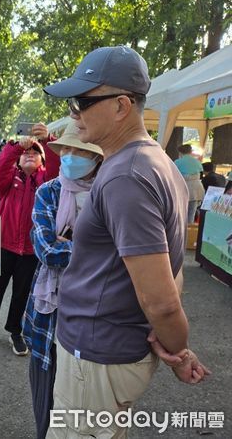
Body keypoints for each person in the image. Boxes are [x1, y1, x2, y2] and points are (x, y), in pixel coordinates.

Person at [43, 46, 210, 438]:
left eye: (82, 102)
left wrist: (179, 350)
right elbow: (174, 267)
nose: (74, 113)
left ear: (121, 106)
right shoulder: (156, 162)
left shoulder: (124, 176)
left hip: (97, 354)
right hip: (110, 351)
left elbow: (163, 300)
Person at [22, 120, 103, 439]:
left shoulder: (108, 192)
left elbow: (120, 252)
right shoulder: (49, 191)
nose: (70, 156)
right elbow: (46, 250)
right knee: (46, 396)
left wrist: (69, 241)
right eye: (66, 149)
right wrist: (95, 250)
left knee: (85, 402)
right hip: (49, 311)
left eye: (79, 149)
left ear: (96, 156)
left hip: (94, 312)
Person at [0, 123, 59, 355]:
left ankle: (15, 331)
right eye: (25, 153)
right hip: (2, 244)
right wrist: (14, 146)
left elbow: (57, 166)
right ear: (18, 160)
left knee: (22, 292)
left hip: (31, 250)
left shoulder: (47, 182)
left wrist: (47, 141)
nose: (29, 154)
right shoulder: (9, 181)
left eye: (35, 152)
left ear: (42, 160)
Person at [174, 143, 205, 224]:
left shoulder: (177, 162)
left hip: (183, 188)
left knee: (180, 213)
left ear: (180, 152)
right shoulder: (197, 162)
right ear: (190, 151)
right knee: (191, 214)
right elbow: (201, 174)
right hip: (197, 188)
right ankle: (190, 233)